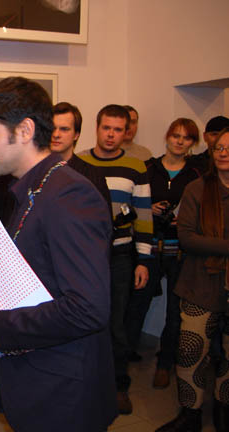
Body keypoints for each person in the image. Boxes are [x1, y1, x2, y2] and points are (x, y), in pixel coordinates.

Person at [0, 77, 117, 431]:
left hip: (63, 392)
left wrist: (0, 325)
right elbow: (23, 277)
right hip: (40, 379)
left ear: (24, 130)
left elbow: (88, 309)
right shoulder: (34, 188)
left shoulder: (68, 194)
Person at [78, 104, 152, 414]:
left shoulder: (136, 167)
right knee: (83, 320)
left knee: (116, 323)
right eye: (106, 128)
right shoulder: (79, 163)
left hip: (121, 255)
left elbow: (144, 217)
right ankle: (86, 382)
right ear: (97, 128)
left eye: (118, 129)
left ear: (127, 132)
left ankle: (119, 385)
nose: (111, 134)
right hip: (84, 256)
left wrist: (144, 260)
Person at [155, 127, 229, 432]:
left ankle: (224, 409)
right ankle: (190, 414)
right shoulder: (197, 189)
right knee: (189, 350)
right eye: (219, 147)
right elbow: (187, 238)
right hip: (200, 282)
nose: (223, 153)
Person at [124, 118, 201, 391]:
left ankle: (165, 364)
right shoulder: (148, 168)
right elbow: (131, 204)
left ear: (192, 143)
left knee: (175, 312)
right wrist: (150, 208)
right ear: (167, 137)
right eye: (176, 135)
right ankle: (121, 361)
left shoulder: (195, 174)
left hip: (179, 251)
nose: (179, 141)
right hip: (149, 248)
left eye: (186, 137)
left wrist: (187, 219)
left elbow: (202, 209)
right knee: (137, 305)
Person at [51, 102, 112, 211]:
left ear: (76, 135)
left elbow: (104, 220)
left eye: (64, 129)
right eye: (52, 128)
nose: (56, 134)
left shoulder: (93, 177)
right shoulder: (34, 172)